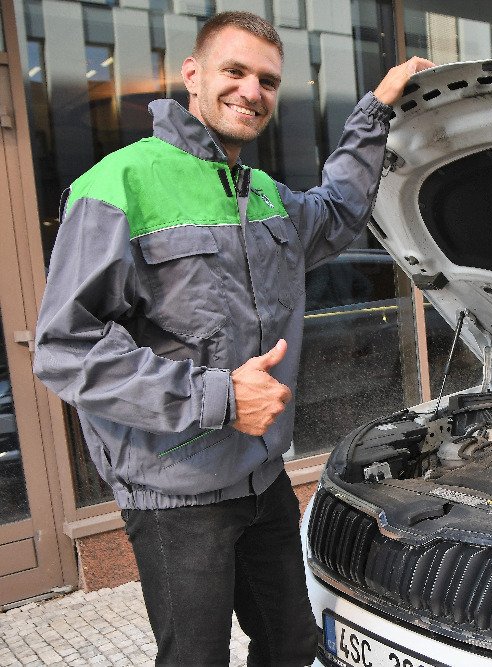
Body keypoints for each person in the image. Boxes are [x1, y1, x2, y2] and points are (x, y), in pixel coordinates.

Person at [32, 11, 433, 666]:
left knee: (290, 642)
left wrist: (378, 105)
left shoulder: (266, 196)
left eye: (268, 81)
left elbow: (337, 208)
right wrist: (216, 396)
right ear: (192, 74)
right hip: (175, 489)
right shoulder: (118, 185)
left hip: (258, 475)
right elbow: (63, 346)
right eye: (235, 71)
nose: (252, 90)